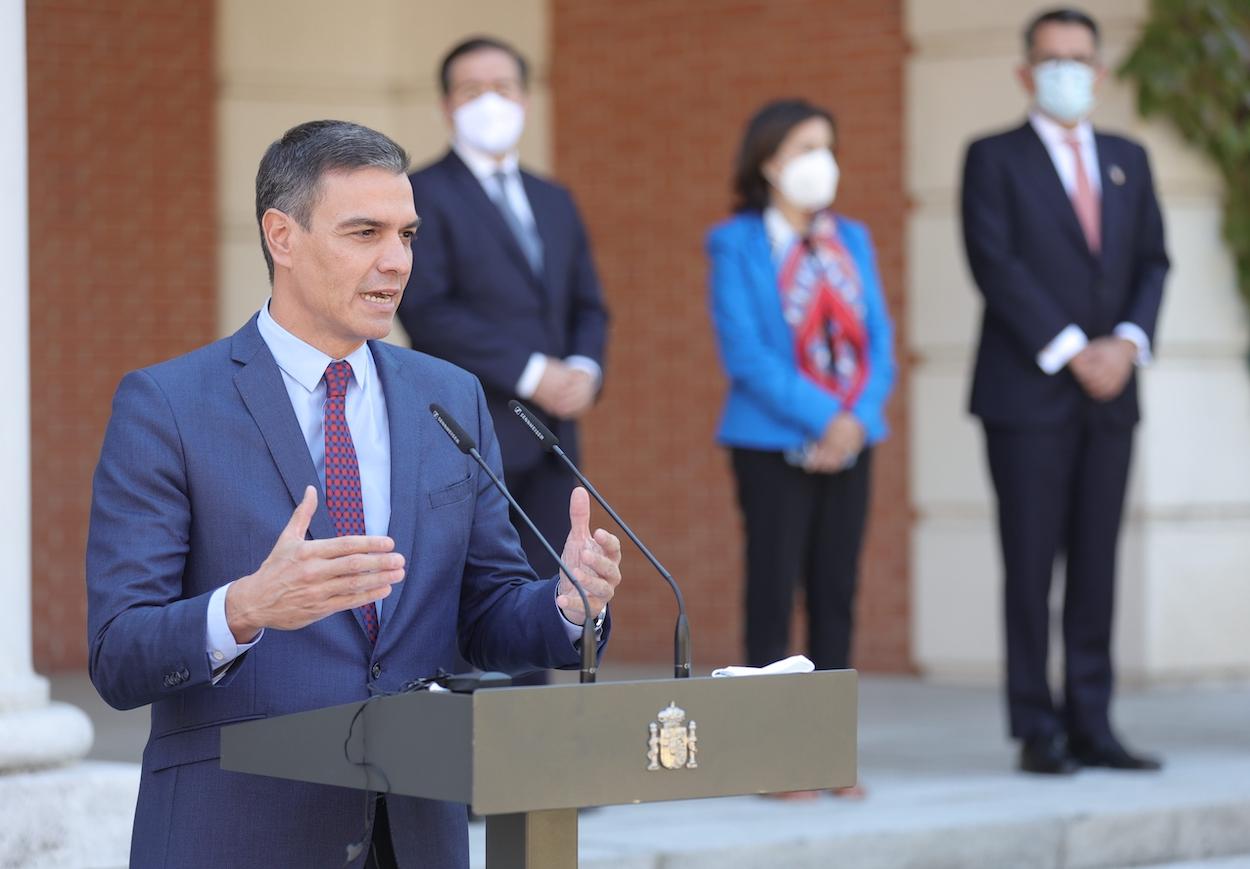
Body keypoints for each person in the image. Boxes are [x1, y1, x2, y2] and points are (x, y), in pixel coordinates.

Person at [86, 120, 621, 869]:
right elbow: (118, 654)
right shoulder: (168, 406)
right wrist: (243, 609)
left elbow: (486, 609)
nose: (396, 261)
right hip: (236, 829)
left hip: (413, 833)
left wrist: (567, 604)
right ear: (283, 235)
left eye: (406, 234)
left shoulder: (451, 398)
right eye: (365, 232)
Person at [960, 7, 1168, 775]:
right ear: (1025, 71)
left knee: (1096, 562)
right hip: (1026, 397)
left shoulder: (1129, 158)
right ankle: (1034, 724)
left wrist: (1128, 344)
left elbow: (1153, 262)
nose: (1067, 71)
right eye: (1051, 58)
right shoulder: (992, 157)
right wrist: (1076, 350)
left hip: (1112, 396)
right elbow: (995, 262)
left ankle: (1093, 720)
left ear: (1100, 70)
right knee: (1029, 563)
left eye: (1080, 58)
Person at [398, 37, 609, 638]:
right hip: (472, 430)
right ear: (446, 105)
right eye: (471, 90)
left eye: (504, 87)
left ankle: (530, 731)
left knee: (550, 601)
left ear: (525, 98)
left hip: (553, 439)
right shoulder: (421, 195)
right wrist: (534, 372)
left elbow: (589, 304)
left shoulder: (554, 199)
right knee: (475, 609)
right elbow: (428, 308)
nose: (490, 101)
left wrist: (584, 371)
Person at [707, 100, 896, 688]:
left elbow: (880, 343)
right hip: (770, 441)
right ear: (767, 163)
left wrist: (855, 421)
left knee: (836, 590)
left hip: (853, 440)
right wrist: (826, 418)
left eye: (826, 147)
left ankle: (829, 751)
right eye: (804, 149)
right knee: (772, 589)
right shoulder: (734, 242)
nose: (821, 162)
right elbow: (746, 354)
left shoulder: (852, 239)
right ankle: (774, 752)